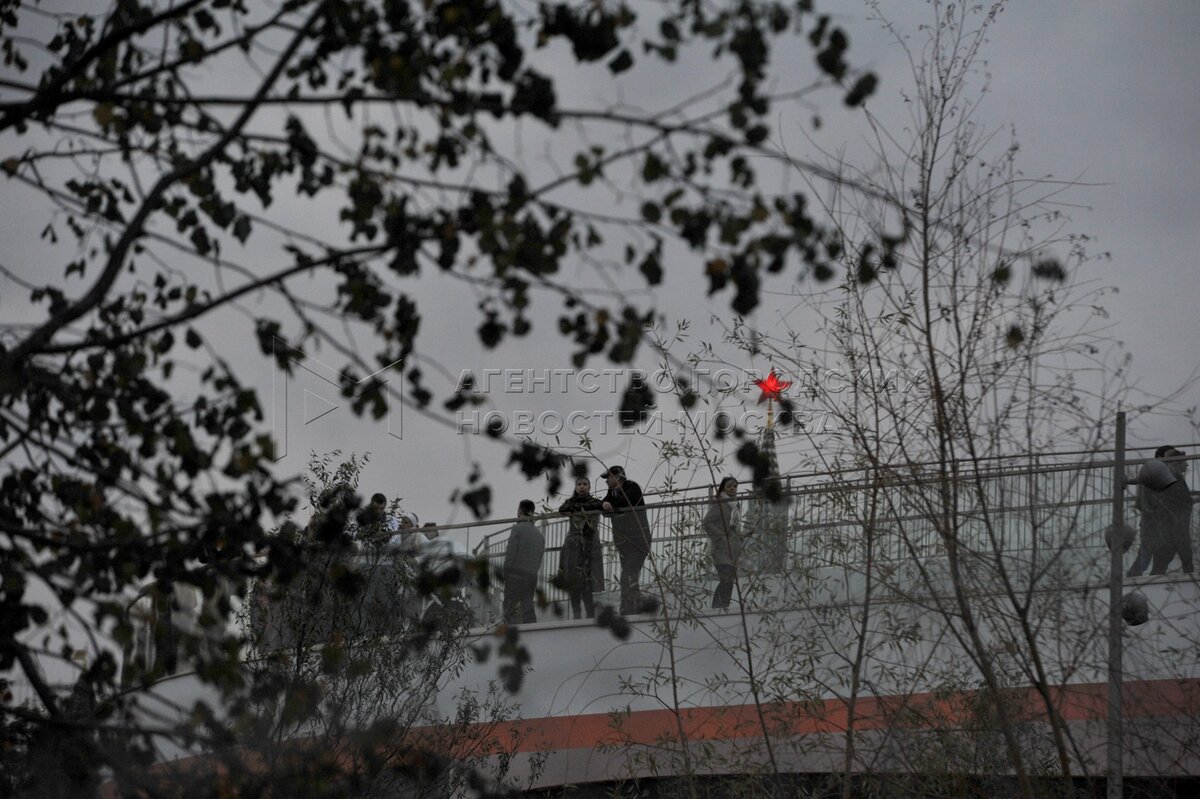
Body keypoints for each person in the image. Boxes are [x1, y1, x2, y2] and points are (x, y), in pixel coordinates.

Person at [1129, 446, 1195, 576]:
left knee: (1157, 556)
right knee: (1173, 555)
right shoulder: (1170, 476)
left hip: (1158, 525)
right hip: (1165, 525)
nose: (1187, 465)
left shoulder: (1155, 474)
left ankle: (1136, 578)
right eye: (1184, 461)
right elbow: (1181, 500)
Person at [600, 466, 652, 615]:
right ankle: (636, 605)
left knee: (627, 575)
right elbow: (603, 505)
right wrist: (604, 504)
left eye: (609, 477)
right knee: (631, 575)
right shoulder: (612, 493)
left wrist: (611, 505)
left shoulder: (632, 487)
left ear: (618, 477)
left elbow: (626, 501)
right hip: (623, 542)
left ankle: (627, 607)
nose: (606, 481)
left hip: (638, 541)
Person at [558, 477, 604, 619]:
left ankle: (590, 613)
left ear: (589, 487)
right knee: (574, 580)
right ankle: (576, 613)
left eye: (584, 484)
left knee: (587, 581)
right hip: (574, 546)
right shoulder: (571, 502)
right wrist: (575, 507)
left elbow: (599, 506)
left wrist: (576, 509)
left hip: (589, 545)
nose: (582, 487)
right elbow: (562, 509)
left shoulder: (594, 502)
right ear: (576, 487)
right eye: (579, 484)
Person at [702, 476, 743, 610]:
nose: (732, 488)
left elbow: (735, 527)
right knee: (726, 580)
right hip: (721, 549)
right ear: (723, 488)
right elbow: (707, 522)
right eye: (729, 486)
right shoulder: (720, 504)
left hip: (733, 550)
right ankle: (717, 608)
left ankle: (724, 607)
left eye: (735, 486)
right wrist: (720, 537)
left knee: (730, 582)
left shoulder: (736, 505)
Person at [503, 500, 545, 624]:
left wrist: (505, 572)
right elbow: (539, 559)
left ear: (520, 511)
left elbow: (511, 553)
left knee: (510, 607)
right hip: (531, 576)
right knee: (527, 606)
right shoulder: (539, 535)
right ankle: (532, 630)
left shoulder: (517, 529)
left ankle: (510, 631)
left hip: (515, 575)